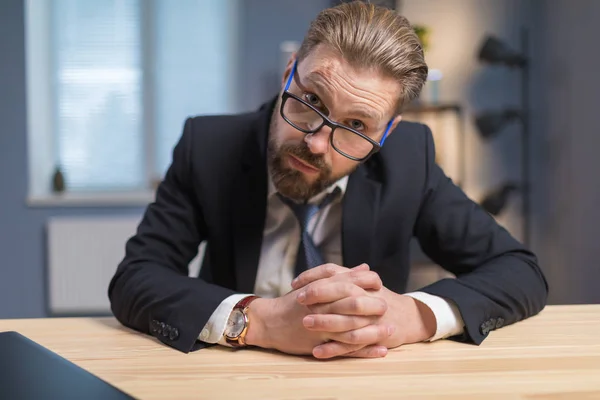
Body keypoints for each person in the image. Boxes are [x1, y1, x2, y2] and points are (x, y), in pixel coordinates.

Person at [108, 1, 548, 359]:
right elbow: (136, 278)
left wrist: (409, 316)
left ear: (387, 133)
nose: (317, 144)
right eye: (311, 100)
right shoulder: (208, 145)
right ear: (288, 76)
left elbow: (519, 271)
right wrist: (257, 322)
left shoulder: (409, 157)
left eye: (356, 126)